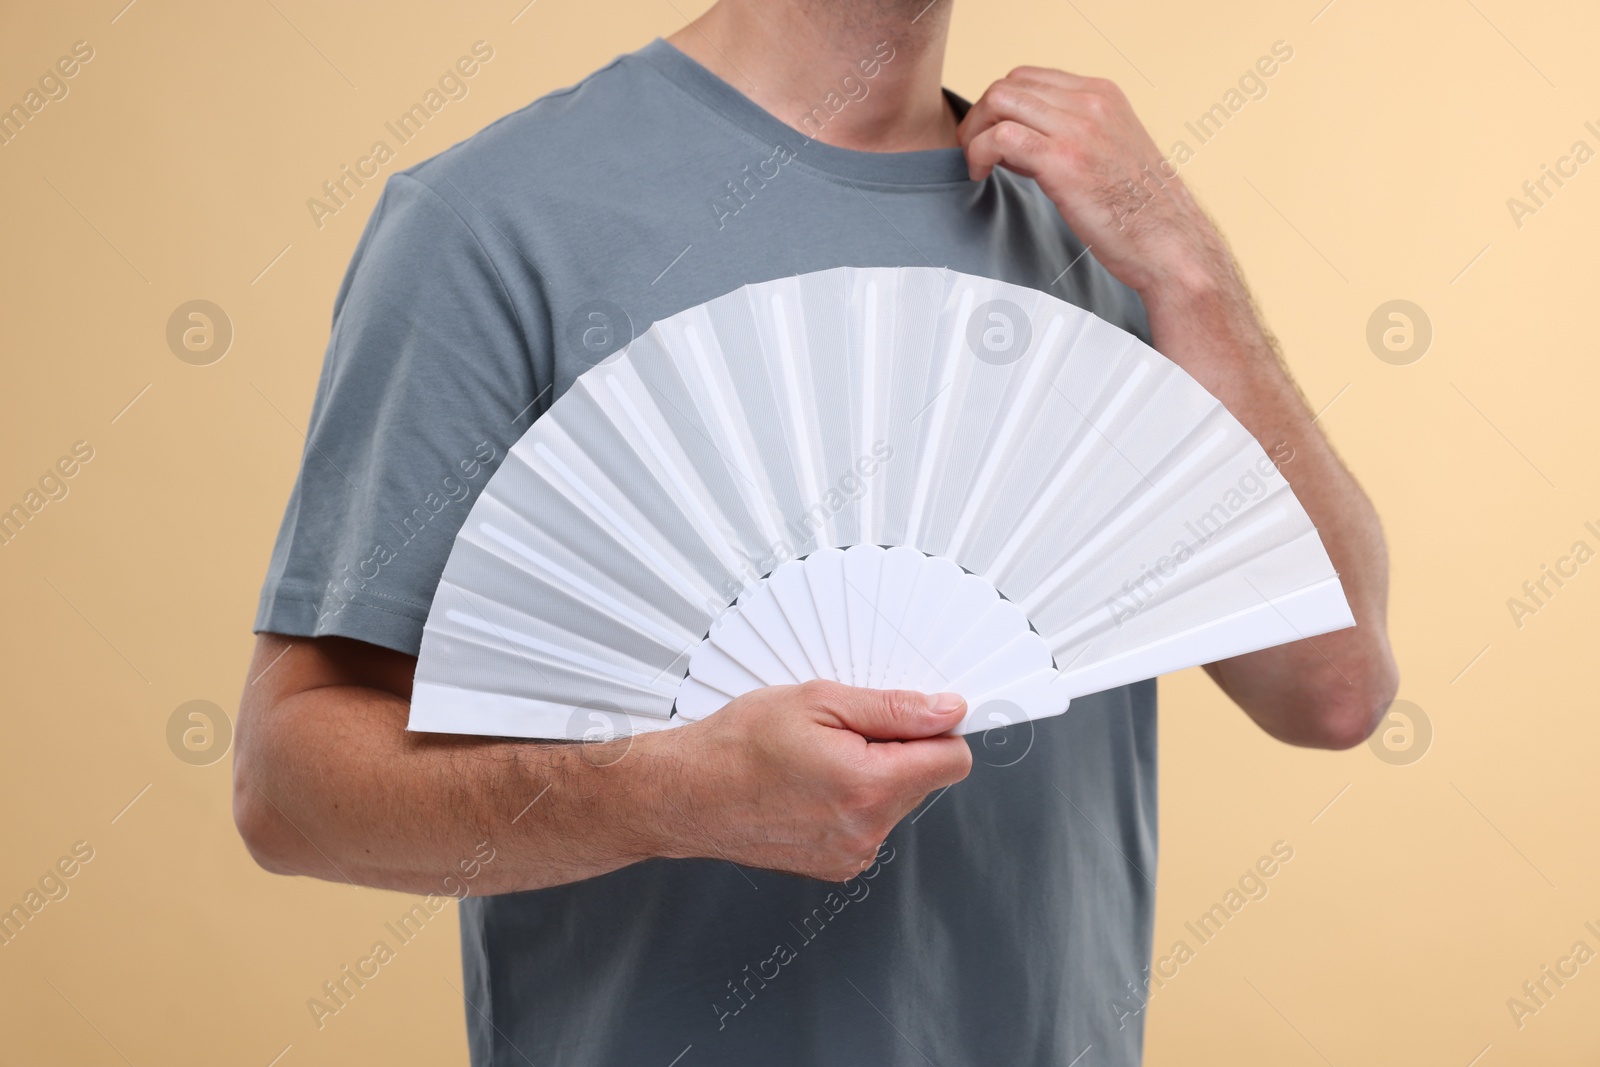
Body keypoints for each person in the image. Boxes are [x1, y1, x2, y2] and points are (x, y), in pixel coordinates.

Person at [234, 1, 1399, 1063]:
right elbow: (289, 787)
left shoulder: (1093, 219)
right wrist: (659, 793)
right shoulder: (492, 219)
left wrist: (1188, 269)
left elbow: (1331, 688)